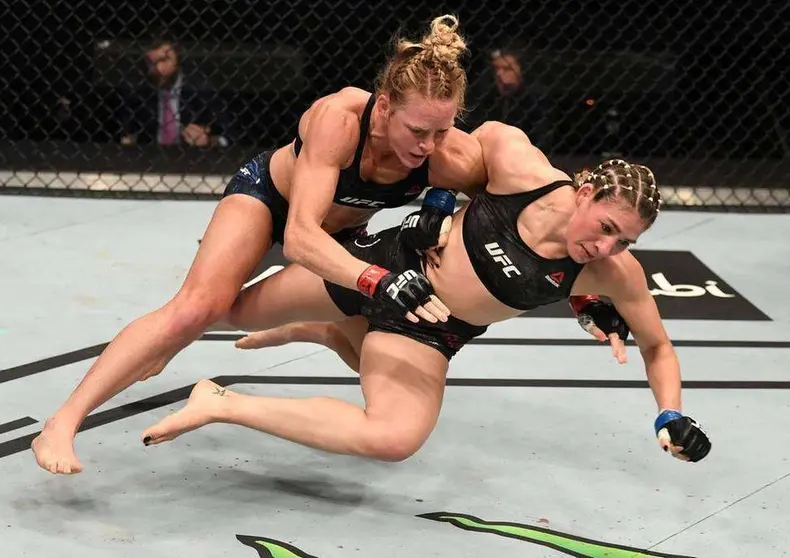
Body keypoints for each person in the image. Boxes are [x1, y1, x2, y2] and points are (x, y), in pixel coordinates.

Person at [31, 14, 489, 475]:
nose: (428, 145)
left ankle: (323, 329)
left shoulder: (446, 153)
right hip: (270, 204)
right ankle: (62, 422)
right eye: (417, 131)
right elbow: (300, 236)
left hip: (342, 236)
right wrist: (375, 278)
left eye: (442, 131)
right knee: (195, 309)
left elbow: (502, 186)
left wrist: (441, 200)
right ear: (386, 106)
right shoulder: (341, 121)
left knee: (378, 346)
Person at [139, 122, 712, 466]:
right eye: (607, 227)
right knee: (224, 311)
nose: (608, 247)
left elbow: (657, 347)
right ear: (584, 191)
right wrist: (435, 205)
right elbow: (472, 140)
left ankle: (220, 405)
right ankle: (320, 321)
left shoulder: (613, 273)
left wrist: (669, 413)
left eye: (625, 241)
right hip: (383, 266)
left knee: (394, 439)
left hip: (430, 330)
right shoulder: (525, 171)